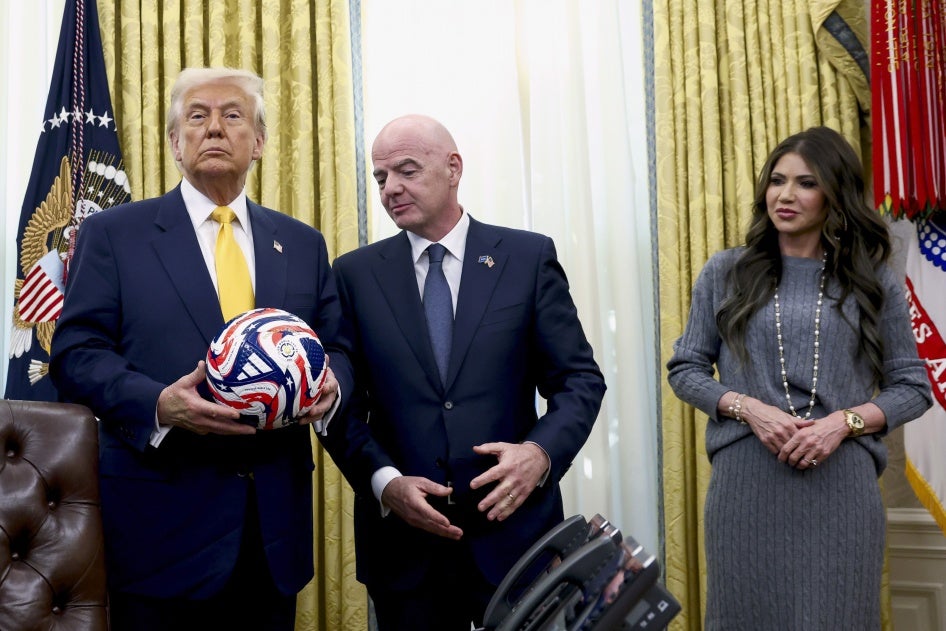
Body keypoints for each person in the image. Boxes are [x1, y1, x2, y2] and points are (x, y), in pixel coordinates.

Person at [49, 67, 351, 631]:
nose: (214, 128)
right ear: (174, 142)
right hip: (158, 535)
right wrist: (160, 404)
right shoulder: (115, 235)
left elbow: (339, 350)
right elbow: (75, 353)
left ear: (258, 142)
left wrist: (332, 389)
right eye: (197, 116)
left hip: (272, 537)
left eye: (232, 115)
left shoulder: (303, 243)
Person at [324, 114, 606, 630]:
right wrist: (384, 483)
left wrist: (538, 454)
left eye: (406, 171)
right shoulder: (353, 275)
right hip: (406, 551)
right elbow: (337, 406)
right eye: (380, 177)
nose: (391, 189)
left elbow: (580, 381)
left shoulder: (526, 256)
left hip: (516, 538)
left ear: (453, 168)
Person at [666, 126, 932, 630]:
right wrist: (750, 409)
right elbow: (686, 369)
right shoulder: (725, 272)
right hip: (747, 489)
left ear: (835, 195)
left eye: (805, 183)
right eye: (777, 181)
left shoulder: (872, 282)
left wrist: (842, 424)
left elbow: (912, 387)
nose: (785, 195)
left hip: (842, 493)